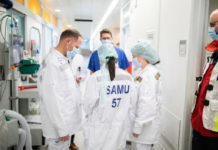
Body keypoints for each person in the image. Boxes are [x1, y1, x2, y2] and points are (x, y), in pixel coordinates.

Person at [83, 41, 136, 150]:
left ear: (100, 59)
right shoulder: (128, 77)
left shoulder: (95, 78)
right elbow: (132, 103)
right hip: (120, 126)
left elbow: (88, 105)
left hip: (100, 127)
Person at [38, 29, 82, 150]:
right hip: (58, 128)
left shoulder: (62, 59)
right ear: (68, 41)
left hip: (65, 124)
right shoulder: (52, 62)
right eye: (74, 45)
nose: (74, 49)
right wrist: (61, 128)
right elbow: (51, 98)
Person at [191, 9, 218, 150]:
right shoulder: (214, 52)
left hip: (214, 130)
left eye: (214, 24)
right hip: (200, 122)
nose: (211, 29)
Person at [129, 41, 161, 150]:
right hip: (139, 124)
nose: (133, 59)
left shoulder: (149, 74)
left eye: (134, 56)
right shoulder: (141, 71)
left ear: (141, 56)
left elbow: (147, 103)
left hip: (143, 127)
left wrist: (138, 126)